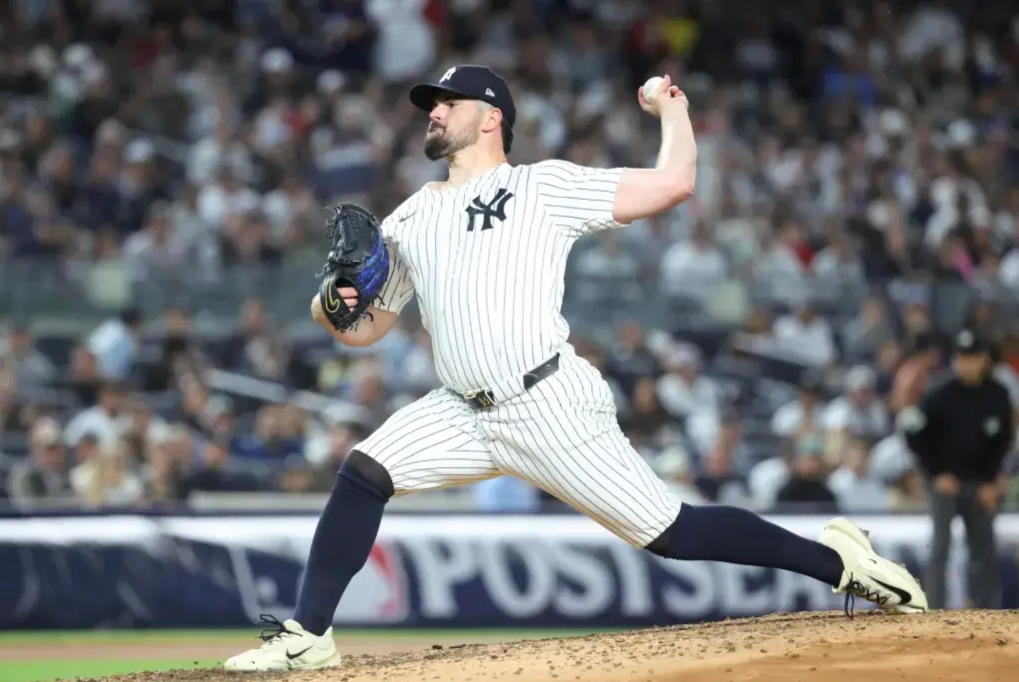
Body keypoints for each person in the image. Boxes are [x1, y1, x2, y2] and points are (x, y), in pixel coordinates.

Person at [224, 65, 927, 672]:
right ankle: (308, 637)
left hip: (547, 401)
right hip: (460, 410)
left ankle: (839, 562)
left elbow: (675, 183)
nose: (433, 112)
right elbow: (367, 330)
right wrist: (331, 304)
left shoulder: (542, 186)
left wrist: (672, 111)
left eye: (448, 102)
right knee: (364, 472)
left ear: (491, 117)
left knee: (674, 533)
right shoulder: (408, 220)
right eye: (430, 104)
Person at [901, 329, 1013, 609]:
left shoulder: (998, 395)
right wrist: (936, 472)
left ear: (984, 360)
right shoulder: (941, 394)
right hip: (947, 485)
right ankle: (934, 608)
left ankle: (985, 610)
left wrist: (991, 480)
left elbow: (1003, 442)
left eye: (972, 358)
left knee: (983, 550)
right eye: (962, 358)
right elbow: (912, 431)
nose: (966, 364)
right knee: (940, 548)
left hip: (980, 485)